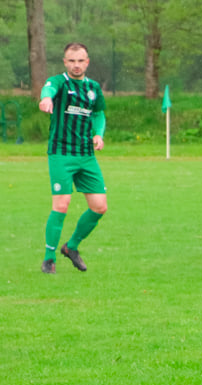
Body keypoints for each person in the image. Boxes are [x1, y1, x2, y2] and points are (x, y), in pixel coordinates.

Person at [38, 42, 108, 274]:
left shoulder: (93, 87)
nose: (76, 65)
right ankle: (49, 259)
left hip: (86, 156)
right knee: (62, 204)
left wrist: (98, 134)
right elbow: (47, 90)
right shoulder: (59, 82)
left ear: (87, 62)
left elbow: (98, 113)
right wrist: (46, 99)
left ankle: (71, 247)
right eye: (71, 61)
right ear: (65, 62)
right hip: (61, 153)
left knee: (99, 207)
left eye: (80, 61)